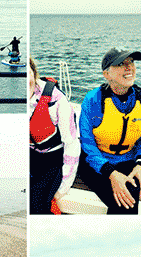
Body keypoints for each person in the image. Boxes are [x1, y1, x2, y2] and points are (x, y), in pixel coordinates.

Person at [78, 48, 141, 214]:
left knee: (130, 194)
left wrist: (140, 163)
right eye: (121, 64)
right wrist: (111, 174)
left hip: (128, 159)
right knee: (127, 200)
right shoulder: (93, 100)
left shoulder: (140, 99)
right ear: (106, 74)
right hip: (95, 163)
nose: (129, 67)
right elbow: (87, 144)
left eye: (131, 62)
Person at [29, 58, 80, 214]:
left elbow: (72, 145)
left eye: (27, 73)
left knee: (36, 203)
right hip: (30, 158)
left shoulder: (57, 100)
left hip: (53, 160)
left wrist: (62, 188)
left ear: (34, 73)